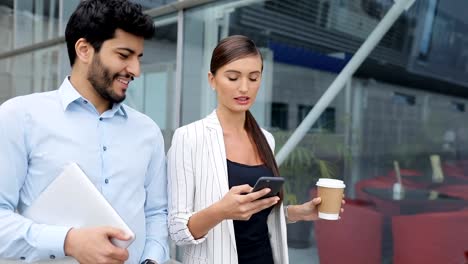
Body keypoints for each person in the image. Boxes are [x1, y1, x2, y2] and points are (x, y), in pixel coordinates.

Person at [0, 0, 168, 263]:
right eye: (124, 56)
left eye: (138, 58)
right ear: (84, 50)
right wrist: (68, 241)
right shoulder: (20, 117)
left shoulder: (147, 132)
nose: (135, 70)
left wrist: (152, 259)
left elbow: (157, 213)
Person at [167, 35, 344, 264]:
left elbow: (260, 215)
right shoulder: (189, 138)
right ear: (212, 80)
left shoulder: (265, 139)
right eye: (233, 77)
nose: (244, 88)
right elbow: (177, 230)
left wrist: (299, 212)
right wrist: (222, 210)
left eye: (253, 78)